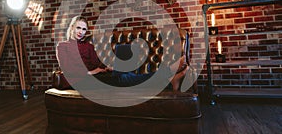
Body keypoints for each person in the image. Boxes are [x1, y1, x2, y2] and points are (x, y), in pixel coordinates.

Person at [56, 15, 188, 91]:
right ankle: (169, 75)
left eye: (84, 29)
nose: (81, 32)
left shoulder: (88, 46)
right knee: (124, 78)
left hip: (95, 78)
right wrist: (90, 72)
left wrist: (107, 68)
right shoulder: (62, 46)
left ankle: (170, 81)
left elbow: (97, 64)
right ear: (72, 27)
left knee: (125, 71)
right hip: (79, 81)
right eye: (78, 28)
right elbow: (68, 69)